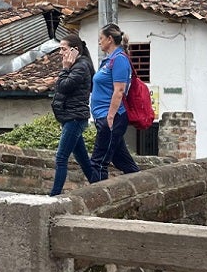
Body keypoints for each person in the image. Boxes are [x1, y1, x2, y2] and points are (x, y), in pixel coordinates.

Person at [89, 23, 140, 182]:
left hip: (112, 117)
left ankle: (97, 200)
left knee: (98, 162)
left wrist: (110, 117)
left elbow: (119, 91)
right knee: (122, 161)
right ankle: (141, 185)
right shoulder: (108, 60)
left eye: (101, 38)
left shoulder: (119, 60)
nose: (99, 42)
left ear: (110, 39)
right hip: (103, 117)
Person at [49, 36, 96, 195]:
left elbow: (63, 86)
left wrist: (65, 68)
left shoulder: (80, 66)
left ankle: (54, 195)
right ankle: (99, 187)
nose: (61, 52)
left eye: (63, 49)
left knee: (61, 158)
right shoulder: (78, 65)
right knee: (83, 160)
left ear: (74, 49)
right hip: (70, 116)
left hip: (74, 118)